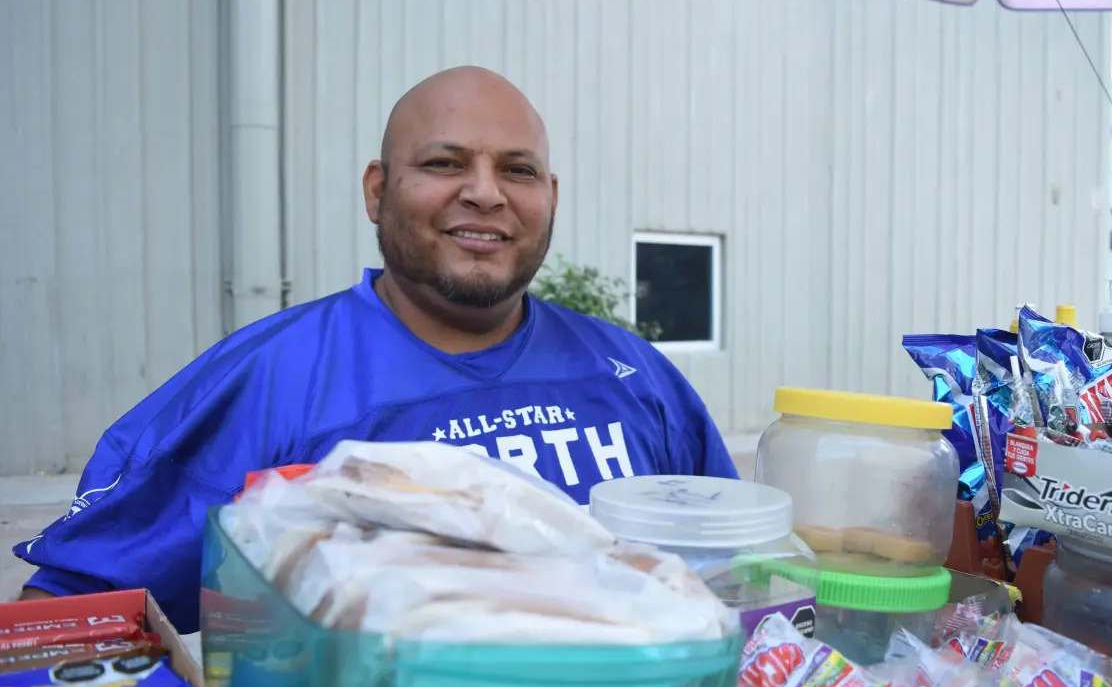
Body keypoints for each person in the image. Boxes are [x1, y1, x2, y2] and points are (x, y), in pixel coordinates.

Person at [13, 66, 738, 633]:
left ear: (549, 194)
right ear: (377, 191)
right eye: (445, 163)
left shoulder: (634, 376)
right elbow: (76, 615)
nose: (485, 194)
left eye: (516, 170)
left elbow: (736, 575)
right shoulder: (272, 381)